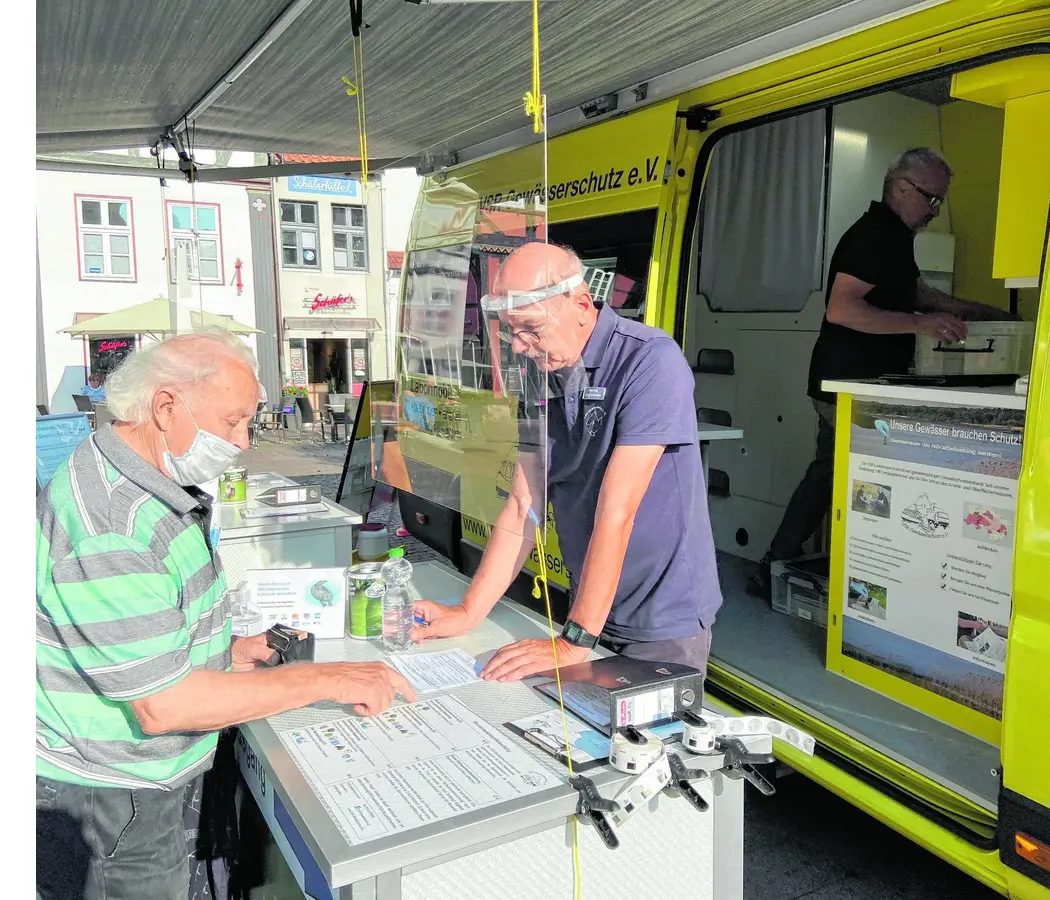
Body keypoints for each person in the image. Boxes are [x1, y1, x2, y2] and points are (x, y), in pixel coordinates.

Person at [36, 327, 415, 900]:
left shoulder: (149, 476)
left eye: (249, 424)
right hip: (111, 801)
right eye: (232, 420)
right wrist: (327, 677)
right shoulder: (112, 523)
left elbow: (145, 631)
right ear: (166, 407)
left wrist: (228, 651)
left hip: (142, 781)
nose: (242, 442)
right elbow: (166, 704)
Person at [410, 242, 723, 679]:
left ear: (580, 304)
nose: (519, 347)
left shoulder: (650, 360)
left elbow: (618, 511)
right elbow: (523, 506)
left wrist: (573, 641)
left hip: (660, 615)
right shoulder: (539, 374)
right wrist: (467, 611)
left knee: (648, 743)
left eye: (531, 329)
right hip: (589, 607)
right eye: (511, 332)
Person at [752, 148, 1016, 594]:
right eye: (931, 199)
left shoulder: (894, 236)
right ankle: (802, 568)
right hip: (847, 382)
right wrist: (920, 323)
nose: (935, 211)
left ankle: (786, 563)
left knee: (832, 473)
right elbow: (841, 309)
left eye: (940, 202)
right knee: (846, 478)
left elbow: (919, 294)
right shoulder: (874, 234)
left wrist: (985, 313)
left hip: (861, 380)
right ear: (901, 188)